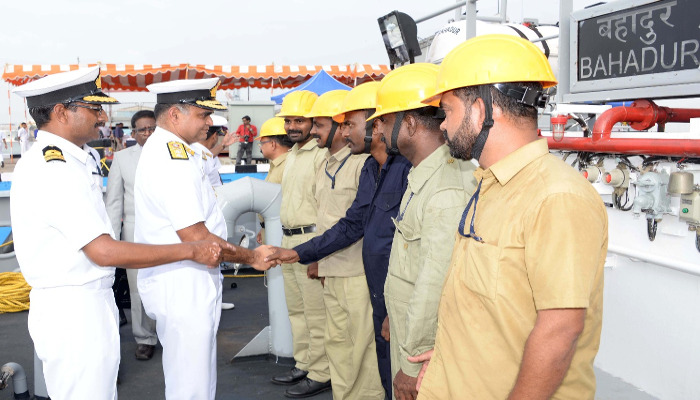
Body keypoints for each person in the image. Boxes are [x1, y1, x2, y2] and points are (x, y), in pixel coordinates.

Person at [10, 66, 233, 400]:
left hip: (91, 300)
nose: (102, 116)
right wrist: (190, 250)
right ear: (60, 112)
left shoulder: (77, 161)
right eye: (93, 108)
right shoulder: (51, 167)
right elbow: (104, 251)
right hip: (73, 307)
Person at [411, 35, 608, 400]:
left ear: (482, 112)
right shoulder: (490, 184)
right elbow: (499, 310)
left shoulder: (556, 197)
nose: (442, 125)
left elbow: (560, 331)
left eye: (449, 111)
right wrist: (450, 359)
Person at [266, 81, 409, 399]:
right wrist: (300, 254)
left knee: (367, 354)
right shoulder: (373, 167)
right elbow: (352, 223)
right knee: (345, 348)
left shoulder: (400, 171)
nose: (345, 133)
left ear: (378, 124)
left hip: (373, 279)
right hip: (349, 271)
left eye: (348, 124)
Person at [136, 77, 274, 400]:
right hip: (184, 282)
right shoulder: (173, 159)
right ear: (175, 115)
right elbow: (197, 237)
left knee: (197, 381)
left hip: (188, 279)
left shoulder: (178, 152)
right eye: (202, 115)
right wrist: (252, 256)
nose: (210, 123)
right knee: (191, 387)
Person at [362, 64, 475, 400]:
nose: (378, 130)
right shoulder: (422, 175)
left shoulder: (445, 188)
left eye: (382, 120)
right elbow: (411, 265)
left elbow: (434, 283)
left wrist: (411, 367)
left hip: (424, 354)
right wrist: (395, 319)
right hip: (408, 329)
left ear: (409, 123)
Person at [306, 89, 384, 399]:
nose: (314, 131)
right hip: (332, 269)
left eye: (319, 124)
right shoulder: (325, 163)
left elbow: (356, 224)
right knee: (337, 345)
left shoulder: (364, 164)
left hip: (357, 273)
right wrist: (319, 260)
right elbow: (324, 218)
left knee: (360, 350)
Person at [270, 90, 332, 398]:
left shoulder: (322, 155)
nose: (293, 126)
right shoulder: (293, 154)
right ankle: (305, 362)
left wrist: (320, 252)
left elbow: (327, 207)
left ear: (313, 122)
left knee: (316, 313)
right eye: (289, 121)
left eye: (300, 120)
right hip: (289, 239)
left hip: (311, 242)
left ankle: (321, 373)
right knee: (297, 310)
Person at [105, 109, 159, 361]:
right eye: (142, 130)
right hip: (135, 234)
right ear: (133, 133)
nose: (148, 134)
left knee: (170, 284)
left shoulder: (174, 155)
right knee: (138, 288)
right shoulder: (122, 158)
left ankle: (171, 334)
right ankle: (144, 338)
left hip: (170, 234)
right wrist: (112, 239)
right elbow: (114, 201)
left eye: (152, 128)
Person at [255, 117, 293, 245]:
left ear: (273, 144)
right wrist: (264, 228)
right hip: (272, 230)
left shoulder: (288, 166)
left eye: (262, 142)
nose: (260, 147)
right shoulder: (276, 165)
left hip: (282, 234)